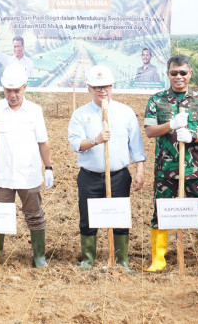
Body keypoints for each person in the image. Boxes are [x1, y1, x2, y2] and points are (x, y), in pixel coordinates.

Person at [143, 54, 198, 273]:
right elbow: (150, 130)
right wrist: (170, 124)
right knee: (160, 210)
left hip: (195, 168)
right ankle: (158, 258)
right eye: (173, 73)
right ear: (168, 74)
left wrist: (193, 136)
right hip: (166, 169)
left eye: (183, 72)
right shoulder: (157, 100)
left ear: (190, 73)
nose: (178, 77)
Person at [67, 65, 146, 272]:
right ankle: (88, 260)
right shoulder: (80, 115)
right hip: (89, 176)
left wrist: (140, 171)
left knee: (119, 216)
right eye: (97, 87)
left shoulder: (125, 112)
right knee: (87, 217)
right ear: (89, 89)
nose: (102, 91)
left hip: (119, 175)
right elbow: (76, 144)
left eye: (106, 87)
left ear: (112, 87)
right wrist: (96, 140)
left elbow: (136, 146)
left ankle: (121, 261)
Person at [0, 63, 53, 268]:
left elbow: (43, 142)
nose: (12, 95)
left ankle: (39, 256)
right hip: (1, 175)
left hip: (27, 174)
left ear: (24, 87)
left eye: (17, 90)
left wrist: (48, 167)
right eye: (8, 90)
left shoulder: (34, 111)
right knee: (0, 216)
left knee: (35, 214)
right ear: (3, 89)